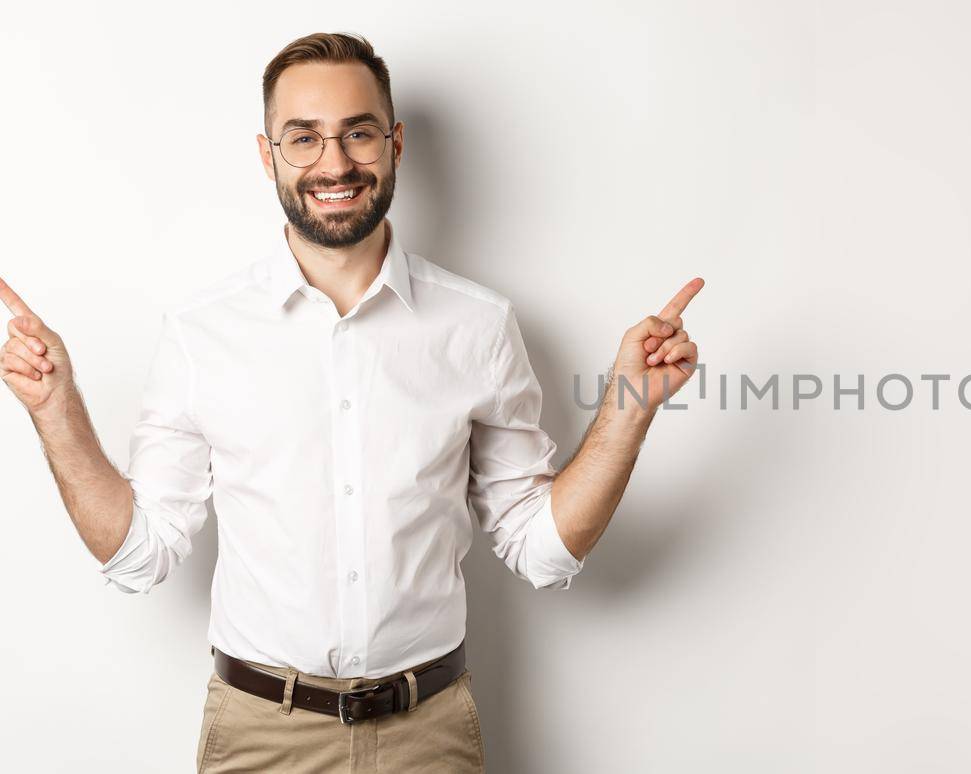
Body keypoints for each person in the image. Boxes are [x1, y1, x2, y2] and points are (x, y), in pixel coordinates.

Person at [0, 31, 702, 773]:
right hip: (259, 737)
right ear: (268, 155)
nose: (334, 163)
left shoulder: (478, 325)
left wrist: (630, 406)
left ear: (393, 143)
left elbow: (541, 551)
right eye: (303, 138)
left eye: (358, 133)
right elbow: (140, 554)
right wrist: (56, 410)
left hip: (430, 734)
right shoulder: (203, 332)